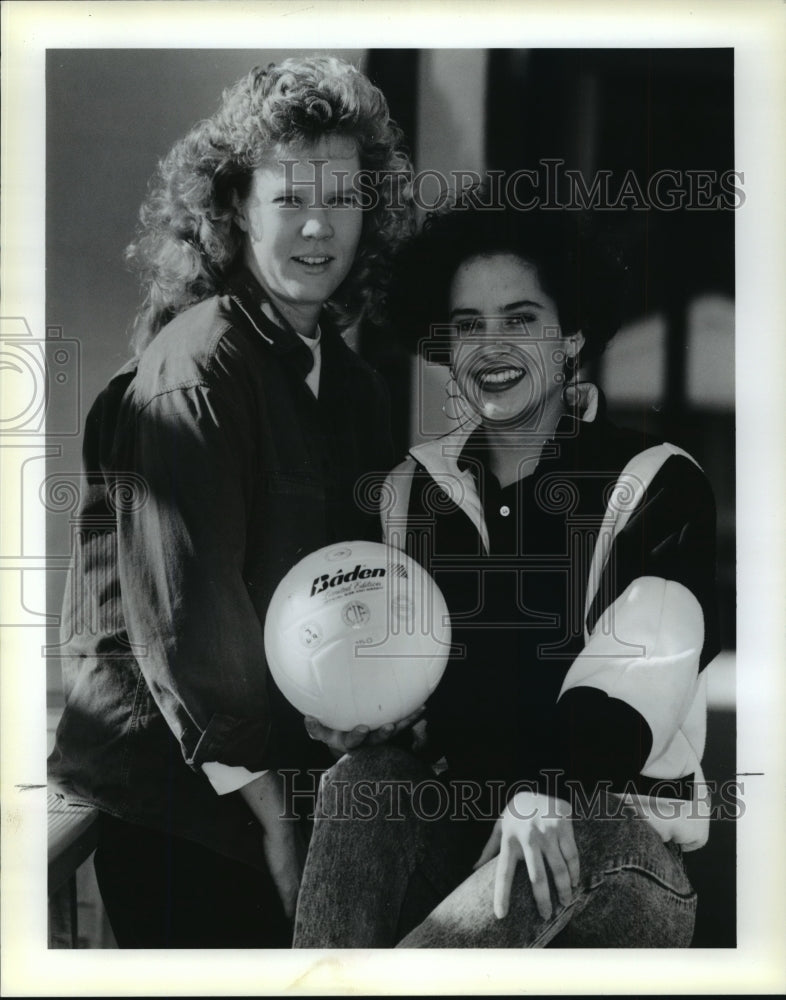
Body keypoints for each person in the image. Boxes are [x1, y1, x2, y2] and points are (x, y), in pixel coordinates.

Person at [47, 55, 414, 948]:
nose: (319, 226)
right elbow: (188, 628)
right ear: (235, 210)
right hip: (180, 805)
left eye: (343, 197)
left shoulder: (356, 388)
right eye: (290, 198)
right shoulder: (196, 369)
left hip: (286, 787)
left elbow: (359, 589)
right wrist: (275, 815)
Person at [292, 193, 720, 948]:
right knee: (366, 785)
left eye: (521, 319)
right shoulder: (403, 495)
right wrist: (354, 715)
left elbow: (642, 664)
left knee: (584, 824)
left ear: (572, 338)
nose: (492, 347)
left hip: (616, 852)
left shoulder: (656, 480)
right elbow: (393, 684)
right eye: (468, 326)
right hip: (461, 842)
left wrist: (540, 788)